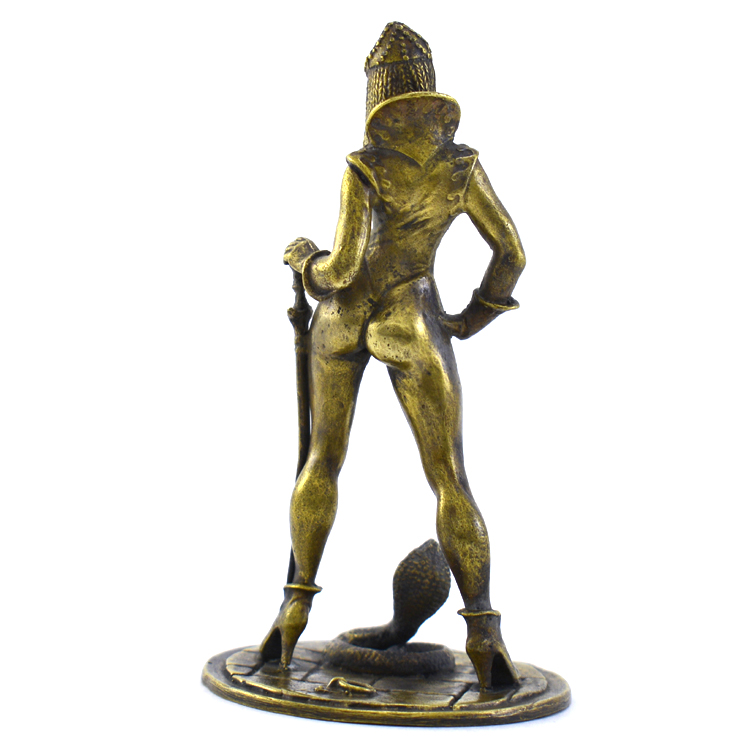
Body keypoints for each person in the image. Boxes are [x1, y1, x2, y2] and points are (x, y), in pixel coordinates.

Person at [260, 22, 526, 690]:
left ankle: (292, 615)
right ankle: (484, 633)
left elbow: (343, 270)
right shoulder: (461, 167)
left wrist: (305, 261)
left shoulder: (365, 164)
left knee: (322, 461)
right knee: (450, 478)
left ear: (377, 99)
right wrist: (469, 319)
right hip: (411, 315)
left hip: (342, 321)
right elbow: (511, 253)